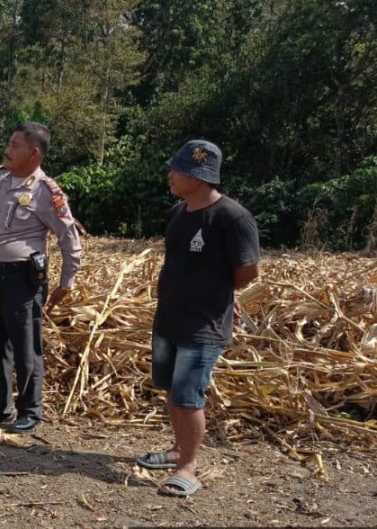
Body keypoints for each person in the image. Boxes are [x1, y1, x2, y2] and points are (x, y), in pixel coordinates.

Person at [137, 139, 260, 497]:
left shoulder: (232, 217)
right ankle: (177, 450)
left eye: (179, 171)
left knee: (189, 396)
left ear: (202, 178)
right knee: (172, 391)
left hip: (203, 325)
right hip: (169, 319)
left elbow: (248, 271)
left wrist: (219, 297)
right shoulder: (177, 214)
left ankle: (188, 468)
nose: (171, 175)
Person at [0, 122, 83, 434]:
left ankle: (29, 411)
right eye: (9, 142)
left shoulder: (46, 192)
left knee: (25, 347)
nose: (8, 149)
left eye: (15, 144)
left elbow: (69, 238)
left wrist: (67, 282)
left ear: (34, 153)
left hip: (21, 281)